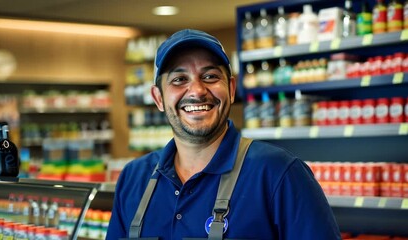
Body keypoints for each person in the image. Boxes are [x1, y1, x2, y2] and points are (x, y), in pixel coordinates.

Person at [107, 29, 341, 240]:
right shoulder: (133, 178)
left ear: (230, 89)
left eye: (210, 76)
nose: (197, 91)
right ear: (158, 98)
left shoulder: (278, 173)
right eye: (179, 80)